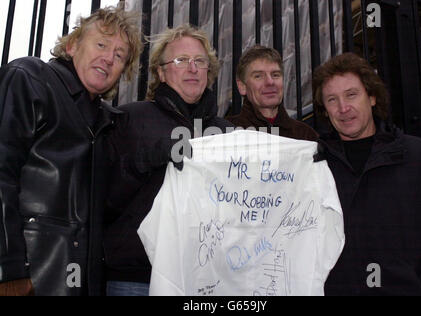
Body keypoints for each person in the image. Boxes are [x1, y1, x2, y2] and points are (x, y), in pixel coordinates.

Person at [0, 5, 142, 296]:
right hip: (28, 276)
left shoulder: (107, 121)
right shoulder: (29, 78)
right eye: (101, 44)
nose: (108, 58)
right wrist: (8, 268)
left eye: (119, 55)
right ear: (72, 44)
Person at [103, 24, 233, 296]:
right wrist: (146, 160)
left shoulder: (224, 131)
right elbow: (102, 201)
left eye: (200, 61)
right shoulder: (128, 118)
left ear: (209, 72)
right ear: (161, 72)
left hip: (204, 280)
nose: (192, 68)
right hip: (135, 278)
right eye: (181, 60)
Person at [312, 52, 421, 296]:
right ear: (325, 111)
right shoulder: (314, 165)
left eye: (352, 94)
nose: (343, 108)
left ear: (372, 97)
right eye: (332, 100)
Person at [226, 45, 317, 141]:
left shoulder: (305, 136)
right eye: (258, 76)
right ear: (242, 86)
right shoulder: (227, 133)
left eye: (275, 75)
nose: (270, 82)